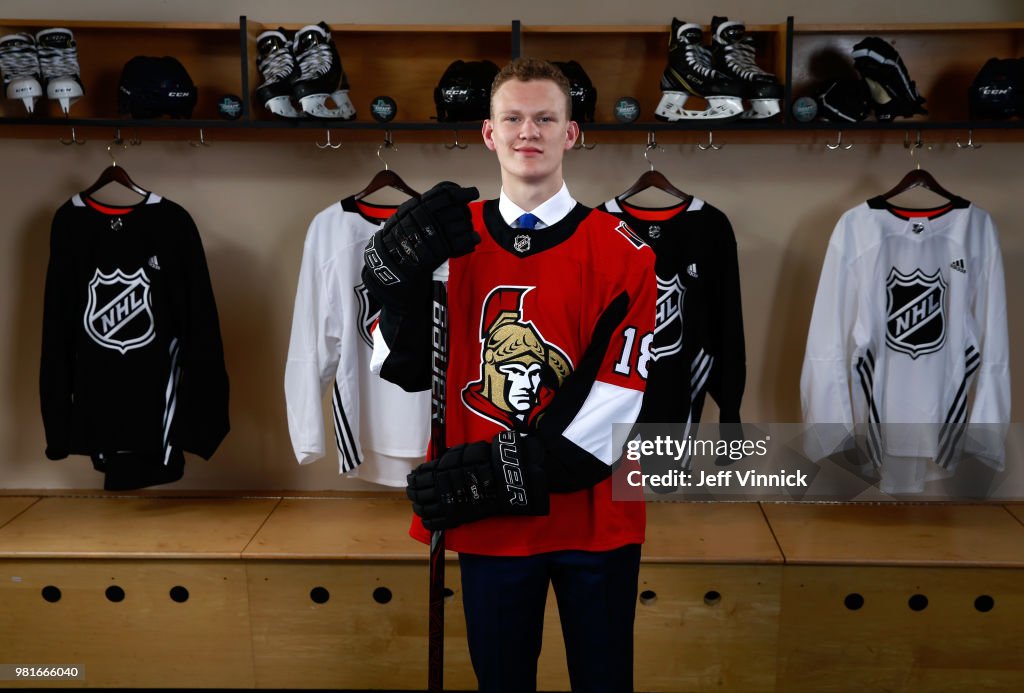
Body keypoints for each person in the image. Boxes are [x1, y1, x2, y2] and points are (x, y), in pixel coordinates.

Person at [362, 57, 656, 692]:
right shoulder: (446, 238)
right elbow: (403, 368)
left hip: (592, 519)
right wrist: (396, 285)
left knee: (604, 683)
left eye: (546, 118)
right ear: (489, 133)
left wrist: (496, 474)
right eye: (513, 118)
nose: (530, 131)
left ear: (571, 133)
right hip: (489, 524)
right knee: (500, 681)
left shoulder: (623, 250)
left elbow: (613, 403)